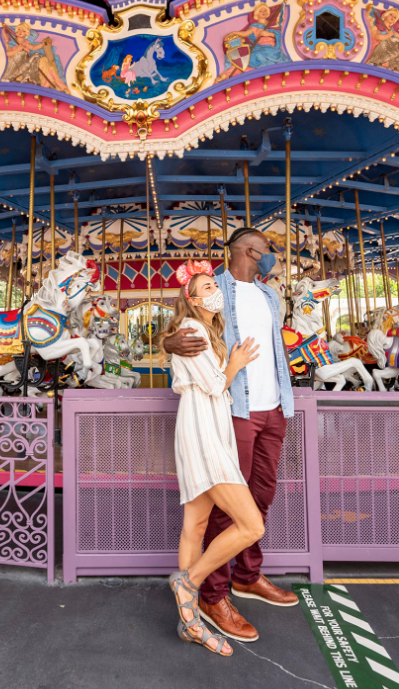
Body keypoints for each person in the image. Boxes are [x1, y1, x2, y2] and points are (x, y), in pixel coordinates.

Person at [161, 227, 297, 644]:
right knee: (227, 508)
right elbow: (183, 323)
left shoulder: (271, 294)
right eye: (267, 250)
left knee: (263, 495)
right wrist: (168, 341)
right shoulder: (215, 286)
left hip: (274, 408)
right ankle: (213, 594)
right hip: (235, 410)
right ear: (249, 250)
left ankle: (248, 576)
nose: (272, 256)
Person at [162, 262, 263, 657]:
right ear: (193, 298)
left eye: (214, 284)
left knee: (196, 524)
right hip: (203, 432)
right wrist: (235, 365)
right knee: (251, 525)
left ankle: (189, 621)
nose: (214, 290)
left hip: (202, 427)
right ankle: (189, 582)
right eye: (207, 286)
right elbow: (214, 384)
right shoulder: (192, 331)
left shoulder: (207, 332)